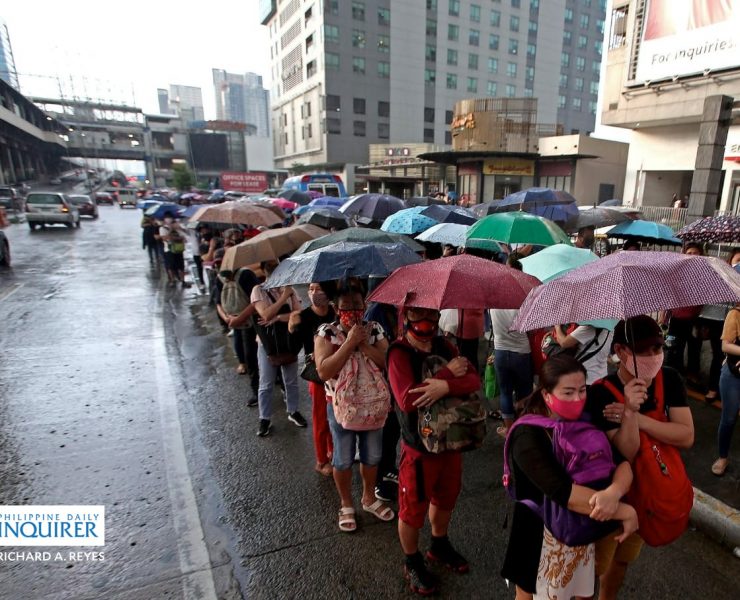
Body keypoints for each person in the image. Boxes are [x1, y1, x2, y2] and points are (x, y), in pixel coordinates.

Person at [501, 356, 637, 600]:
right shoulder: (527, 434)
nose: (578, 399)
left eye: (582, 390)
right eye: (568, 392)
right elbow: (564, 493)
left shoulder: (582, 422)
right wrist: (624, 511)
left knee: (580, 591)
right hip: (537, 535)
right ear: (546, 394)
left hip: (579, 532)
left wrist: (614, 492)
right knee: (530, 593)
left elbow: (623, 464)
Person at [587, 315, 694, 600]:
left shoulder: (669, 379)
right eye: (644, 351)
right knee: (596, 564)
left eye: (658, 348)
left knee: (622, 561)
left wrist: (639, 420)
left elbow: (686, 435)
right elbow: (627, 451)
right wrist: (630, 411)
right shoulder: (600, 392)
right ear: (621, 351)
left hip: (649, 494)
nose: (654, 357)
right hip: (616, 496)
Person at [387, 306, 480, 595]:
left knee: (447, 495)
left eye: (431, 315)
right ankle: (411, 560)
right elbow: (406, 399)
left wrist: (443, 385)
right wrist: (445, 376)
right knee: (412, 508)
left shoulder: (445, 345)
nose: (426, 322)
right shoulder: (399, 353)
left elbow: (473, 379)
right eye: (418, 315)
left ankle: (439, 544)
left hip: (451, 441)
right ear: (406, 318)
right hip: (419, 448)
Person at [314, 284, 394, 532]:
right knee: (343, 457)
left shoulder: (375, 330)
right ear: (336, 309)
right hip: (341, 407)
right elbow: (324, 370)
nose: (352, 311)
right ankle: (346, 503)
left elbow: (389, 363)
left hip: (373, 405)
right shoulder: (326, 333)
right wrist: (349, 343)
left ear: (366, 306)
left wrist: (363, 345)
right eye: (346, 307)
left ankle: (369, 497)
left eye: (357, 305)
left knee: (372, 455)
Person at [250, 260, 306, 437]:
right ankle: (264, 418)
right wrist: (283, 298)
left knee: (291, 380)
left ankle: (293, 411)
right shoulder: (258, 290)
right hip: (266, 343)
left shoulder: (290, 289)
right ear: (266, 273)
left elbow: (298, 314)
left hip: (288, 339)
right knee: (266, 382)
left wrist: (279, 317)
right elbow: (264, 314)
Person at [288, 281, 336, 476]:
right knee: (321, 419)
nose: (314, 292)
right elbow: (294, 348)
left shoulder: (336, 312)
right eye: (311, 289)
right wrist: (292, 328)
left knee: (335, 416)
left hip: (336, 371)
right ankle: (321, 460)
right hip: (317, 377)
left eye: (318, 288)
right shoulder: (304, 317)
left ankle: (333, 451)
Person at [489, 258, 533, 437]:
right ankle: (524, 430)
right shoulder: (526, 295)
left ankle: (509, 430)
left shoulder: (494, 295)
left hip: (500, 351)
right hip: (521, 352)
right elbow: (530, 329)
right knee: (524, 393)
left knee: (506, 392)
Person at [215, 265, 260, 400]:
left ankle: (274, 382)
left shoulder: (246, 275)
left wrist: (237, 319)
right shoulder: (220, 278)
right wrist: (228, 319)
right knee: (249, 355)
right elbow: (218, 303)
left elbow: (256, 300)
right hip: (238, 322)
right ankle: (256, 390)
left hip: (254, 321)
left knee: (257, 354)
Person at [663, 243, 704, 380]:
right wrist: (665, 317)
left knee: (694, 348)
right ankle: (674, 372)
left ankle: (693, 374)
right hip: (676, 318)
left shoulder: (704, 273)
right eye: (689, 252)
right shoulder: (677, 271)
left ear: (701, 255)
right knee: (673, 347)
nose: (691, 255)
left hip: (694, 319)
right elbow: (669, 296)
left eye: (695, 253)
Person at [713, 301, 740, 476]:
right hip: (733, 375)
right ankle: (723, 457)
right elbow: (726, 345)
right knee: (728, 419)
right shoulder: (735, 314)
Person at [159, 214, 187, 286]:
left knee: (181, 266)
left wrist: (178, 229)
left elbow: (184, 238)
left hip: (179, 250)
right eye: (167, 218)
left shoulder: (178, 227)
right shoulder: (163, 228)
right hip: (168, 250)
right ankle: (172, 280)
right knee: (170, 266)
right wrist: (171, 230)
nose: (169, 220)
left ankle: (183, 280)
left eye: (170, 218)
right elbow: (165, 238)